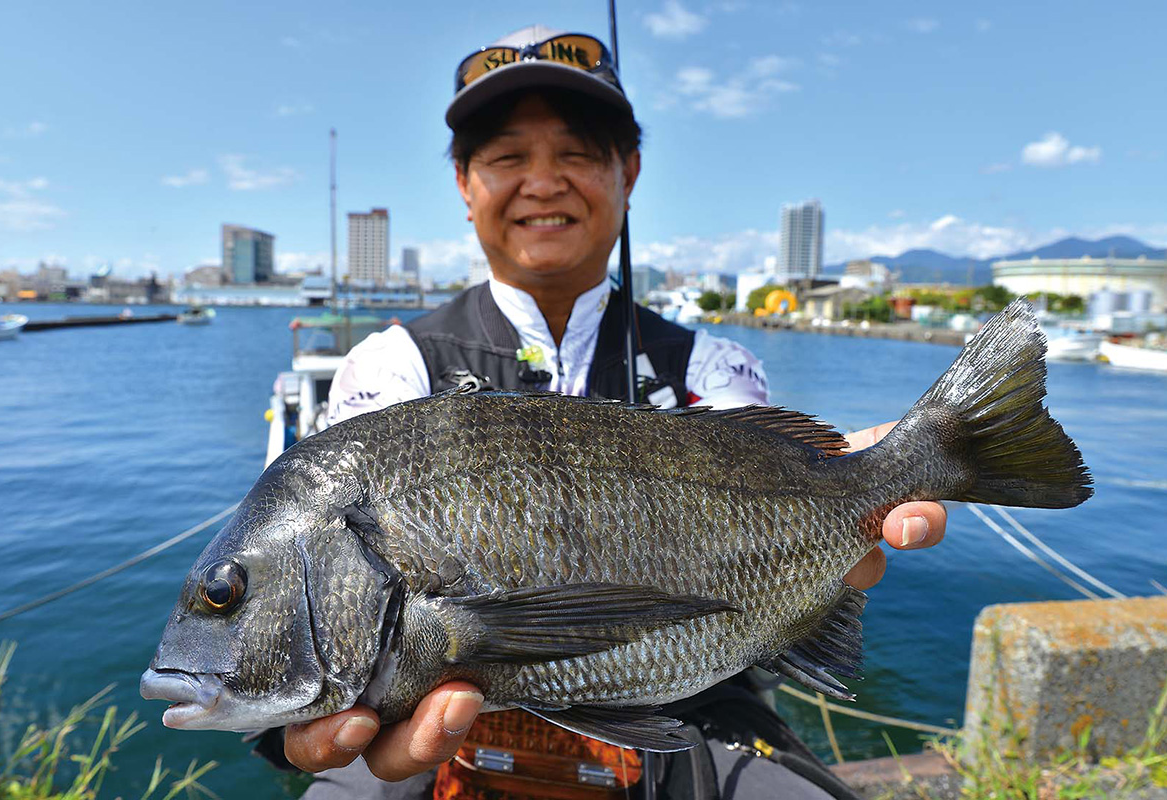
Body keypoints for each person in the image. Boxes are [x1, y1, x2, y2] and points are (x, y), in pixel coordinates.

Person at [280, 25, 947, 799]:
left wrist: (851, 513)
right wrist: (289, 712)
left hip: (687, 713)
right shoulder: (392, 369)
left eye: (578, 153)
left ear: (627, 173)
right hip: (438, 734)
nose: (543, 181)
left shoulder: (709, 369)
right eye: (506, 157)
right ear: (465, 183)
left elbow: (778, 515)